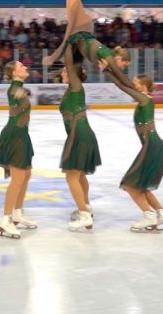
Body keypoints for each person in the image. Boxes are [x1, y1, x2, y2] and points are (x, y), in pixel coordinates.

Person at [42, 0, 136, 91]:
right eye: (124, 65)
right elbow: (122, 78)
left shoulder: (104, 60)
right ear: (120, 59)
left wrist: (55, 70)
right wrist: (139, 89)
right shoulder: (108, 56)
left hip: (82, 30)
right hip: (81, 28)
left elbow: (72, 60)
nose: (122, 68)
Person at [99, 60, 163, 232]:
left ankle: (148, 216)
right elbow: (125, 84)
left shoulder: (144, 99)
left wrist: (107, 71)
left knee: (130, 184)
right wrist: (109, 70)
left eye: (135, 83)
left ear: (144, 86)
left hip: (152, 147)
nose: (132, 85)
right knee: (141, 185)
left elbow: (123, 86)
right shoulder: (144, 100)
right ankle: (162, 213)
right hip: (154, 146)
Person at [0, 61, 36, 239]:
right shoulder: (13, 89)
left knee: (26, 174)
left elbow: (23, 92)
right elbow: (16, 93)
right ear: (14, 73)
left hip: (22, 134)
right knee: (18, 177)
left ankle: (17, 213)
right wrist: (24, 91)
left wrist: (25, 91)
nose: (25, 67)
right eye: (21, 66)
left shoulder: (18, 87)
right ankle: (5, 220)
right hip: (14, 135)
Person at [60, 46, 101, 231]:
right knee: (80, 174)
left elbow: (70, 63)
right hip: (78, 135)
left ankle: (84, 215)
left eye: (65, 71)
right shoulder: (71, 89)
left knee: (71, 176)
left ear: (72, 74)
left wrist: (69, 44)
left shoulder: (76, 88)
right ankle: (86, 207)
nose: (62, 73)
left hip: (80, 135)